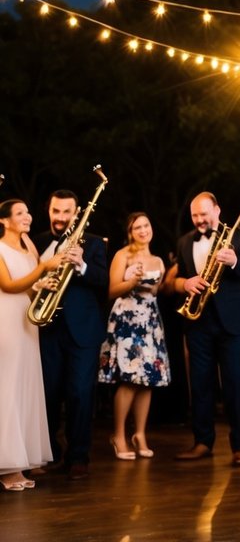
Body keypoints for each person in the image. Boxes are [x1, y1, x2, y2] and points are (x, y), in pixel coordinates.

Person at [170, 192, 240, 465]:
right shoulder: (185, 241)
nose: (199, 220)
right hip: (198, 323)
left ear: (217, 210)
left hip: (234, 323)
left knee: (236, 386)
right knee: (200, 385)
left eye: (204, 214)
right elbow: (181, 276)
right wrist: (184, 283)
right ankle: (202, 442)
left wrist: (233, 261)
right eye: (195, 215)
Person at [34, 186, 108, 480]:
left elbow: (103, 281)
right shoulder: (37, 242)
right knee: (48, 393)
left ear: (76, 213)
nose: (60, 217)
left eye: (66, 212)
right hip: (47, 328)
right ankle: (48, 450)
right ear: (48, 211)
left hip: (83, 331)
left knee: (79, 393)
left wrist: (82, 264)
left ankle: (78, 456)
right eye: (56, 211)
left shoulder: (92, 243)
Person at [0, 198, 62, 491]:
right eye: (20, 213)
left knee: (26, 385)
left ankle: (21, 462)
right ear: (4, 220)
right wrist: (43, 269)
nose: (27, 216)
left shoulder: (29, 246)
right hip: (6, 319)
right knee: (8, 386)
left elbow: (28, 282)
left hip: (27, 320)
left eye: (27, 211)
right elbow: (8, 285)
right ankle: (7, 466)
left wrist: (42, 283)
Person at [98, 212, 170, 459]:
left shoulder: (158, 260)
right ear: (130, 232)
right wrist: (131, 281)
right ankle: (118, 435)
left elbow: (157, 292)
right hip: (127, 319)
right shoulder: (122, 255)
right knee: (129, 378)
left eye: (146, 225)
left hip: (150, 320)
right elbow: (109, 290)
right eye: (136, 227)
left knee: (147, 380)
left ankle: (139, 433)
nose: (142, 230)